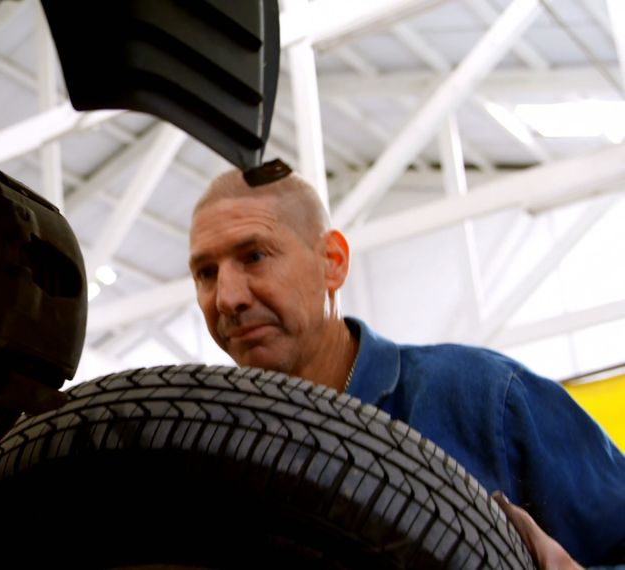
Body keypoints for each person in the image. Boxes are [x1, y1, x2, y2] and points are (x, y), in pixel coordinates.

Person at [187, 164, 625, 568]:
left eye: (255, 256)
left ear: (332, 262)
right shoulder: (216, 468)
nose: (227, 297)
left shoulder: (482, 397)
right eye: (206, 273)